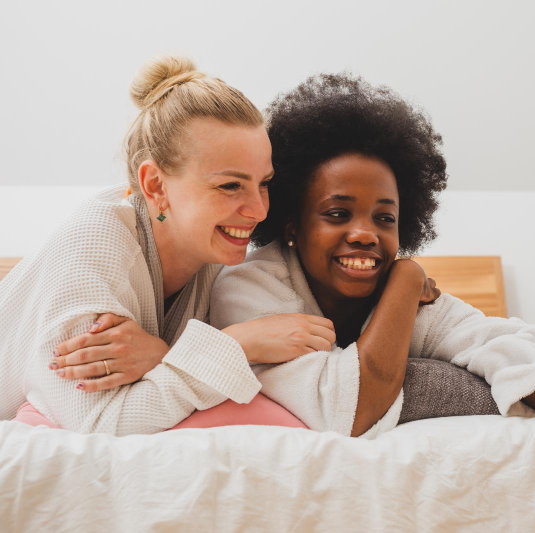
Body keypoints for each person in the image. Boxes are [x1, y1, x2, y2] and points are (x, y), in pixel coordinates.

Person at [208, 73, 535, 438]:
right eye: (338, 214)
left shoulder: (414, 302)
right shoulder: (248, 289)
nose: (366, 234)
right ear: (293, 224)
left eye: (385, 218)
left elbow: (525, 360)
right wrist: (408, 277)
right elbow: (353, 408)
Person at [0, 56, 338, 434]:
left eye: (264, 183)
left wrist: (164, 355)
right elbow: (99, 422)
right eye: (230, 186)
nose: (259, 210)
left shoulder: (216, 259)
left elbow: (187, 371)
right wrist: (237, 344)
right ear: (156, 186)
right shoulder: (93, 244)